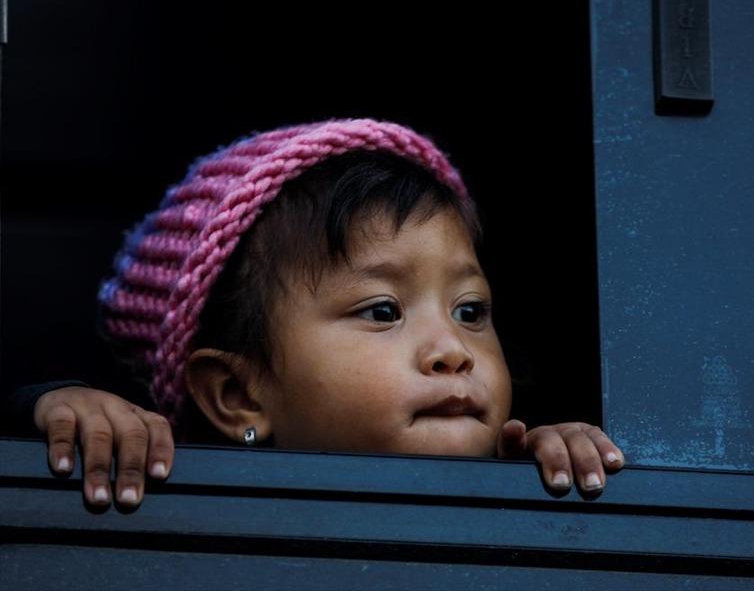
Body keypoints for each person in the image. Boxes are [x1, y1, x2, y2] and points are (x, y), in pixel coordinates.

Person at [26, 118, 623, 509]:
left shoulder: (531, 477)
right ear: (238, 395)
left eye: (470, 310)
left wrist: (547, 477)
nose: (453, 349)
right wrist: (58, 409)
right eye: (383, 310)